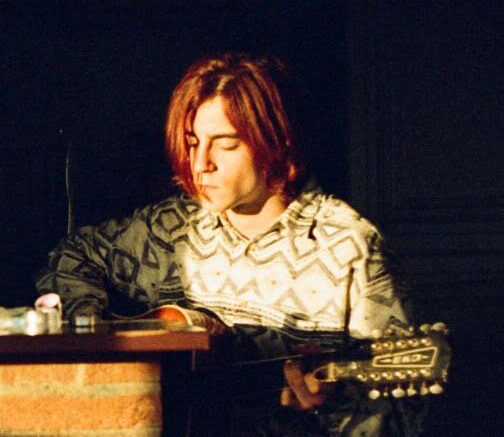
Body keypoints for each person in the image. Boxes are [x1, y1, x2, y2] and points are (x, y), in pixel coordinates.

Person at [35, 52, 425, 436]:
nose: (200, 164)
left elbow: (402, 418)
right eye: (193, 142)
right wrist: (95, 338)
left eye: (225, 144)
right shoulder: (172, 228)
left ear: (278, 142)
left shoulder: (349, 247)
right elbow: (72, 255)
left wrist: (334, 406)